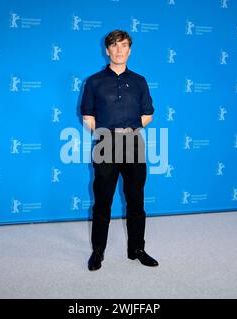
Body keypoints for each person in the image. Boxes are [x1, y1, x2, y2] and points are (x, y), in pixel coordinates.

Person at [80, 29, 158, 271]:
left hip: (134, 143)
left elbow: (148, 114)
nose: (119, 50)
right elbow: (87, 115)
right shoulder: (93, 82)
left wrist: (128, 130)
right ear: (107, 50)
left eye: (123, 45)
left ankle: (137, 249)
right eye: (114, 45)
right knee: (103, 202)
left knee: (136, 200)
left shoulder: (139, 81)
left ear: (130, 50)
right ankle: (98, 251)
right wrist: (106, 134)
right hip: (105, 144)